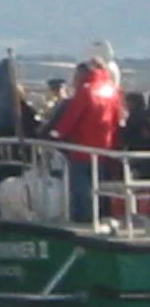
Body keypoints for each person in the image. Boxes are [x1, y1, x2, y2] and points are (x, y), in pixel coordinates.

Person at [50, 58, 123, 223]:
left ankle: (84, 218)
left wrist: (57, 134)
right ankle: (103, 215)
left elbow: (72, 117)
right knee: (100, 184)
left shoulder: (86, 90)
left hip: (82, 148)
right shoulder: (112, 91)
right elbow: (117, 120)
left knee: (80, 186)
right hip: (104, 148)